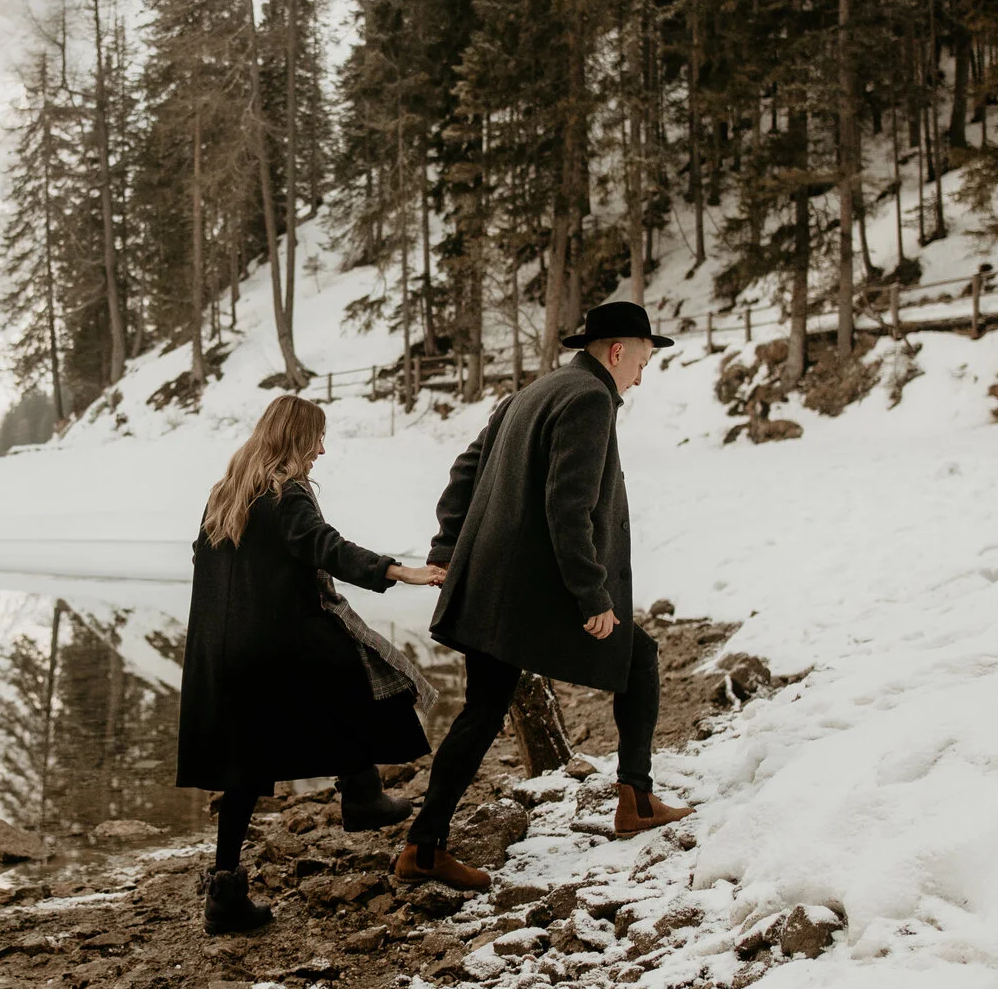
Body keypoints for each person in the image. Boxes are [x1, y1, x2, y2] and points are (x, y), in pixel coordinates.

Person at [394, 301, 693, 893]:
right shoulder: (588, 399)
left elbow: (464, 469)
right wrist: (592, 596)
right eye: (643, 357)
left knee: (483, 708)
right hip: (530, 587)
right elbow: (568, 507)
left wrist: (448, 547)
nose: (642, 372)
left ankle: (423, 846)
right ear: (615, 351)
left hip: (491, 582)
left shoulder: (532, 393)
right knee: (639, 657)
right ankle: (636, 799)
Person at [180, 395, 446, 935]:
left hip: (223, 655)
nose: (322, 450)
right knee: (365, 671)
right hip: (275, 645)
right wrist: (398, 571)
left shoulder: (226, 494)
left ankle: (225, 892)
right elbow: (325, 546)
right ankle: (363, 795)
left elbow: (203, 560)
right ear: (295, 439)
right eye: (316, 438)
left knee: (244, 771)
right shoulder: (287, 494)